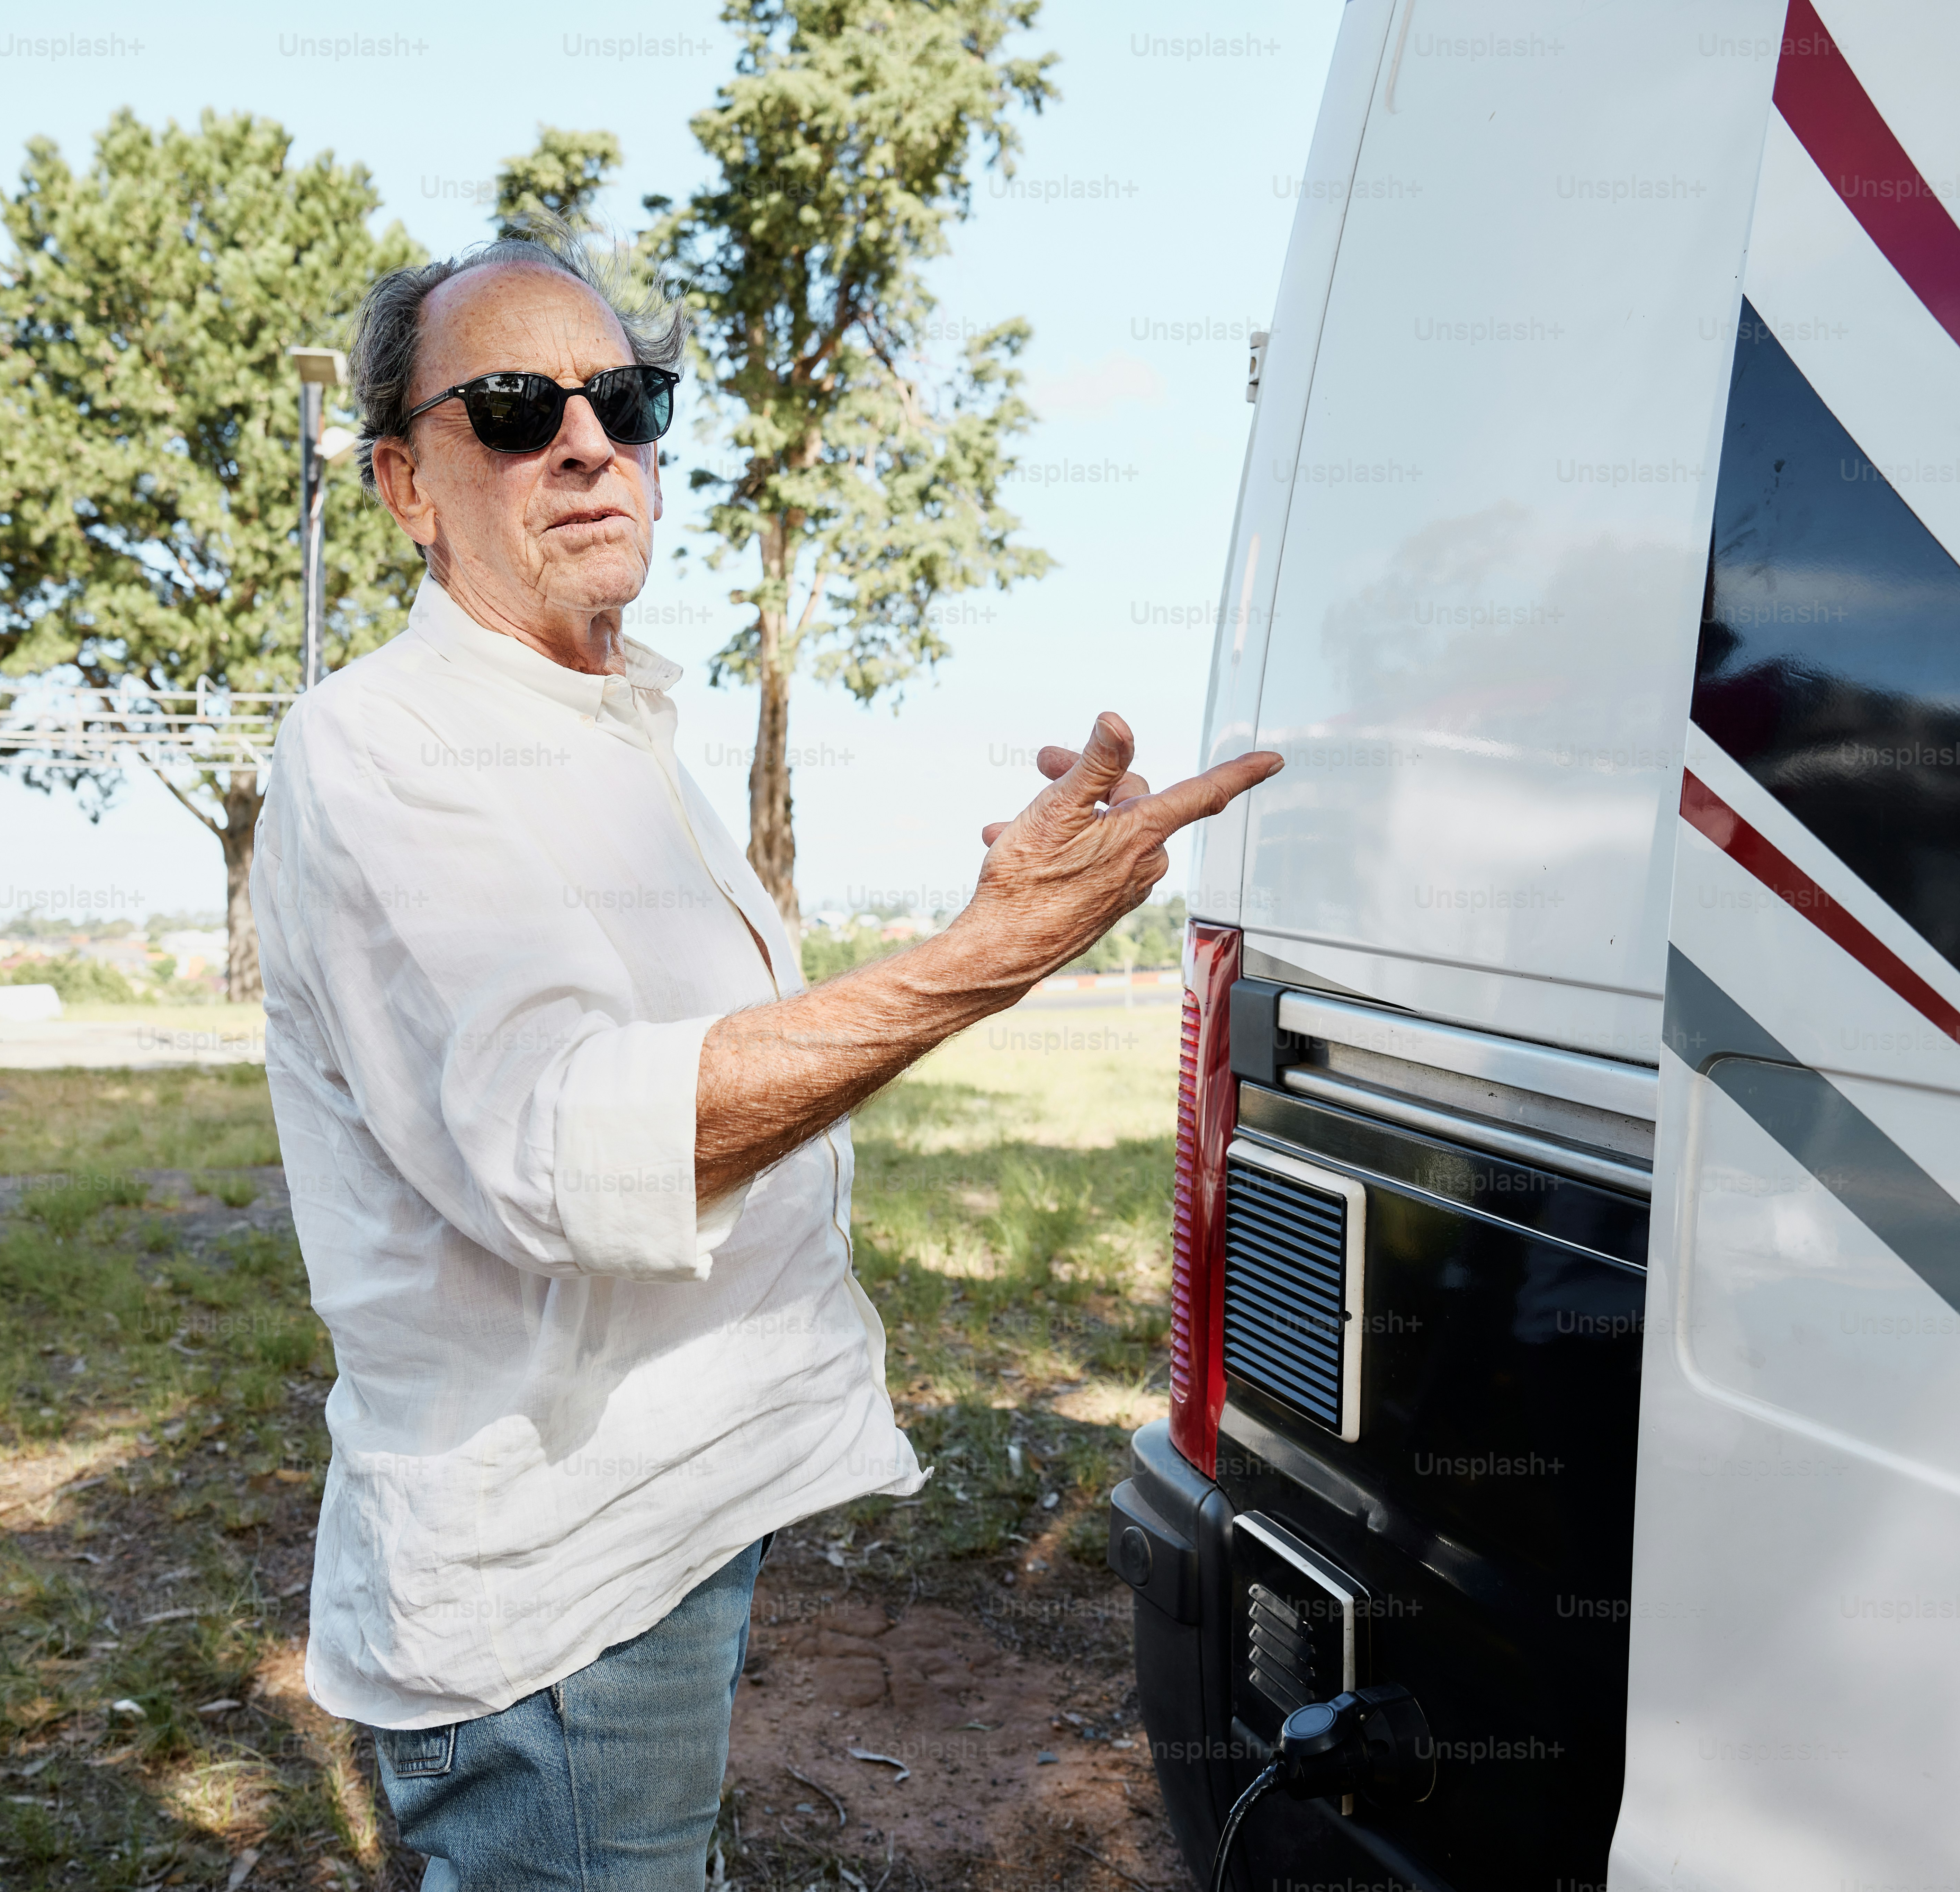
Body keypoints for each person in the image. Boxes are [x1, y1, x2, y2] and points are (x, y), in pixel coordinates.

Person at [252, 221, 1280, 1890]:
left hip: (661, 1529)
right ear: (402, 486)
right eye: (513, 408)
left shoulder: (604, 725)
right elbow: (567, 1150)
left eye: (626, 399)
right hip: (554, 1594)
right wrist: (979, 961)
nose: (588, 443)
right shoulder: (382, 746)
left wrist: (975, 927)